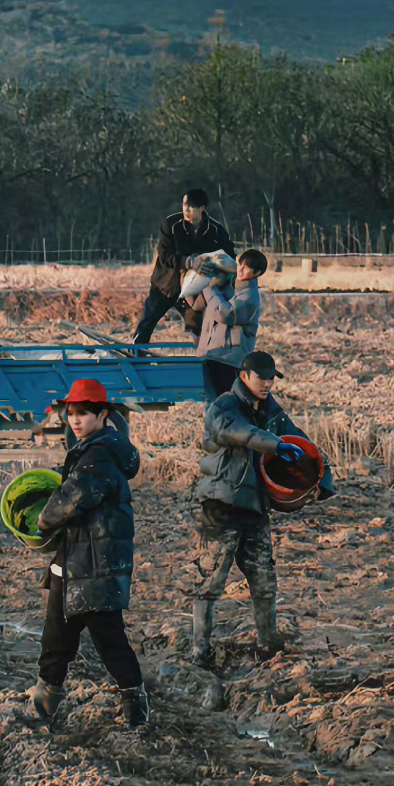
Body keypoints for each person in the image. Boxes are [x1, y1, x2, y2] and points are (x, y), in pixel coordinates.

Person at [188, 351, 334, 667]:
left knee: (264, 580)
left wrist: (323, 481)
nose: (267, 383)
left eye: (271, 378)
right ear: (244, 376)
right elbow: (233, 432)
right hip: (221, 506)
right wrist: (274, 444)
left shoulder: (271, 411)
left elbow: (303, 441)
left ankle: (267, 644)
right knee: (209, 582)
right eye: (261, 377)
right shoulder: (224, 406)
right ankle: (200, 652)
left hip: (255, 509)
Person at [26, 379, 149, 730]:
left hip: (97, 562)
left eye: (83, 414)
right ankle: (43, 704)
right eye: (71, 414)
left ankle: (137, 711)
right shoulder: (91, 447)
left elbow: (73, 498)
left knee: (108, 637)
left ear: (103, 414)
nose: (75, 421)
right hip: (75, 558)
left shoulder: (100, 454)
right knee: (56, 636)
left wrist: (43, 520)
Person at [133, 189, 234, 346]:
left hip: (195, 289)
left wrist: (221, 276)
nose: (186, 210)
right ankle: (135, 353)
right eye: (184, 205)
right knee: (148, 321)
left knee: (198, 327)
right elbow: (165, 255)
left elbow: (230, 258)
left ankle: (204, 360)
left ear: (202, 208)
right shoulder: (171, 225)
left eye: (191, 206)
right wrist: (189, 262)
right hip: (167, 284)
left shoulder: (216, 231)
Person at [199, 248, 268, 396]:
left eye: (247, 267)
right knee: (216, 402)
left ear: (256, 273)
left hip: (229, 358)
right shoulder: (231, 288)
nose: (241, 269)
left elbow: (225, 314)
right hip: (214, 354)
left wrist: (210, 288)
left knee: (227, 401)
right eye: (240, 264)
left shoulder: (250, 297)